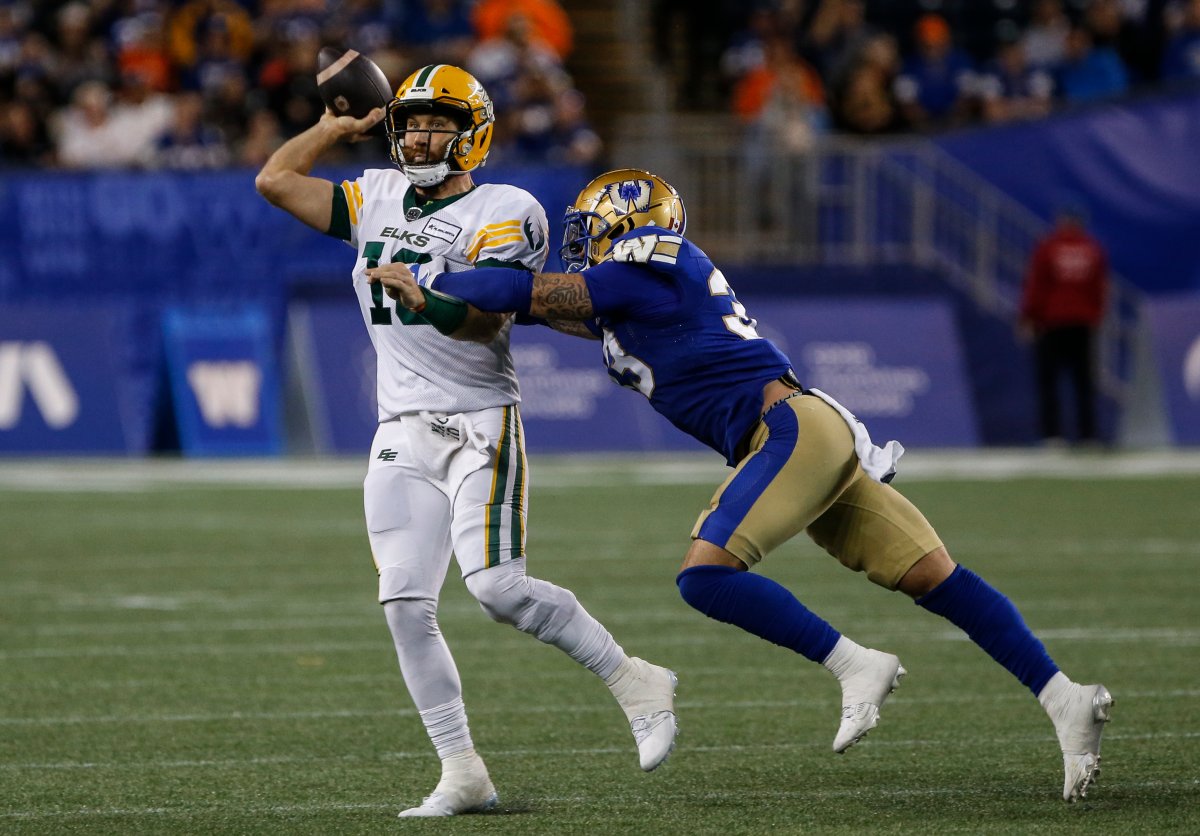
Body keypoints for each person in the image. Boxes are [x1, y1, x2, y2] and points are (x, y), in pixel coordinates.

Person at [369, 169, 1114, 803]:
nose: (583, 242)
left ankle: (856, 664)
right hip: (799, 432)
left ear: (629, 224)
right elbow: (525, 305)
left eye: (593, 227)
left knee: (705, 577)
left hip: (788, 431)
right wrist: (445, 300)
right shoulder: (633, 292)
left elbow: (520, 287)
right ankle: (1064, 698)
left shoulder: (650, 265)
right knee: (934, 578)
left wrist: (434, 270)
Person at [254, 72, 677, 818]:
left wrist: (428, 297)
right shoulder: (376, 194)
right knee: (402, 603)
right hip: (400, 429)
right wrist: (331, 127)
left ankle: (635, 678)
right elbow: (275, 179)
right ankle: (463, 771)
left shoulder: (505, 209)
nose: (418, 136)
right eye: (411, 123)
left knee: (498, 590)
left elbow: (489, 320)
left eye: (435, 124)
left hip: (479, 421)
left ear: (472, 131)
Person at [1019, 204, 1109, 445]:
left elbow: (1036, 285)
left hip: (1053, 322)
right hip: (1082, 322)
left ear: (1061, 220)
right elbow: (1099, 287)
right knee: (1083, 381)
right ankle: (1088, 434)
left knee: (1049, 381)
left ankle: (1053, 435)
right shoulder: (1091, 248)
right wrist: (1096, 315)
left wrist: (1029, 317)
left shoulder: (1049, 247)